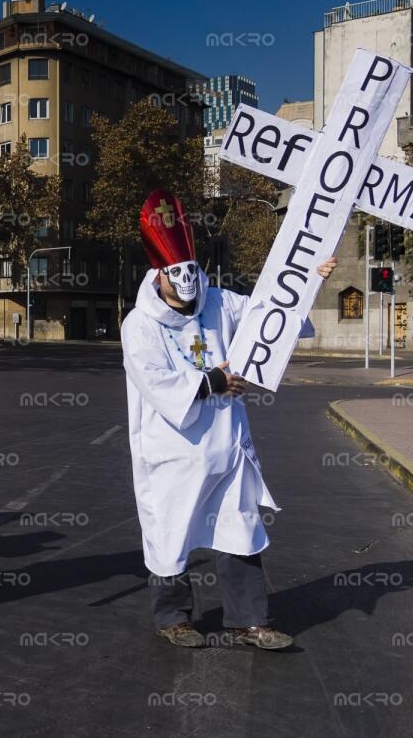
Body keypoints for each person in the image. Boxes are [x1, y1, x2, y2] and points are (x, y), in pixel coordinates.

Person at [121, 190, 336, 650]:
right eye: (177, 274)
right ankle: (174, 617)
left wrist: (309, 280)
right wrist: (213, 381)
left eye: (193, 272)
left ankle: (249, 620)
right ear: (159, 275)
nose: (188, 283)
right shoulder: (139, 324)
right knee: (170, 533)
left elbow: (267, 315)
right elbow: (154, 382)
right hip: (172, 455)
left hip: (228, 446)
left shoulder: (217, 302)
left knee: (239, 526)